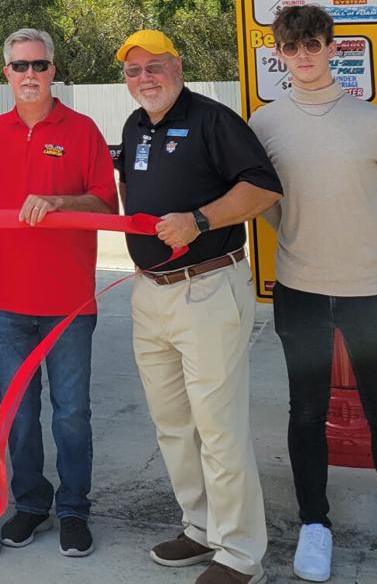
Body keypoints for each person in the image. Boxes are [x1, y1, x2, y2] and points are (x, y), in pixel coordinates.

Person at [248, 6, 377, 584]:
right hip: (300, 289)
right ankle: (314, 526)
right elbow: (264, 201)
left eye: (313, 44)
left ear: (333, 48)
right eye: (291, 47)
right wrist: (306, 240)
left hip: (369, 290)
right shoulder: (265, 124)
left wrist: (363, 246)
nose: (303, 55)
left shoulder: (374, 121)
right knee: (306, 412)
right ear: (278, 54)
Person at [116, 29, 282, 584]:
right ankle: (201, 525)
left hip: (208, 287)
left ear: (177, 65)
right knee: (172, 423)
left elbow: (264, 189)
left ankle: (239, 554)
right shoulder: (134, 126)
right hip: (150, 292)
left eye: (155, 66)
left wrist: (201, 220)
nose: (145, 78)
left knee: (218, 426)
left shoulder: (214, 120)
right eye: (134, 71)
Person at [0, 28, 116, 557]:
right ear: (6, 72)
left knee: (71, 414)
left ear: (53, 69)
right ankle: (31, 504)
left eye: (39, 65)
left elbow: (108, 206)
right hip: (8, 302)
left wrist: (61, 202)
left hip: (69, 304)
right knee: (18, 413)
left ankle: (74, 509)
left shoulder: (82, 131)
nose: (29, 74)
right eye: (19, 66)